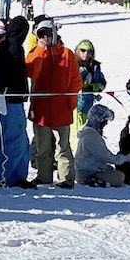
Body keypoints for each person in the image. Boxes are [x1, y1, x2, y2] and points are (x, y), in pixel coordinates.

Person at [25, 20, 79, 188]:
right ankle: (43, 176)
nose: (46, 37)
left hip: (61, 109)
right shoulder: (35, 52)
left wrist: (70, 103)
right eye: (42, 34)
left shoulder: (67, 54)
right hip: (41, 110)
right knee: (42, 147)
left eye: (48, 34)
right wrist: (41, 50)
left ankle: (66, 178)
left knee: (63, 147)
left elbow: (76, 81)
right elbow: (30, 71)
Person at [0, 19, 32, 187]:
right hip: (9, 100)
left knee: (8, 139)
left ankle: (16, 175)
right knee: (15, 141)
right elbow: (4, 73)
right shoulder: (12, 48)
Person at [74, 102, 128, 187]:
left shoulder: (88, 132)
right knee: (119, 177)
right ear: (100, 121)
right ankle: (91, 180)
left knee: (110, 169)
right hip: (87, 173)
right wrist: (124, 158)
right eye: (105, 121)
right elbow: (105, 156)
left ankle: (95, 179)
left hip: (84, 169)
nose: (106, 124)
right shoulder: (92, 136)